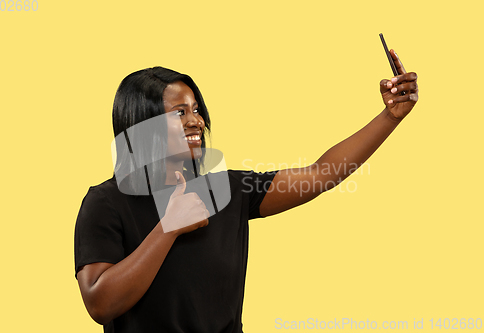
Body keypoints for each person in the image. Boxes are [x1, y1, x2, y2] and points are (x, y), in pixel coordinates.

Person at [74, 50, 418, 332]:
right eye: (179, 113)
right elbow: (99, 303)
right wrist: (169, 227)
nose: (196, 121)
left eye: (196, 110)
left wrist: (390, 117)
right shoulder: (106, 202)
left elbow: (321, 174)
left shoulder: (226, 189)